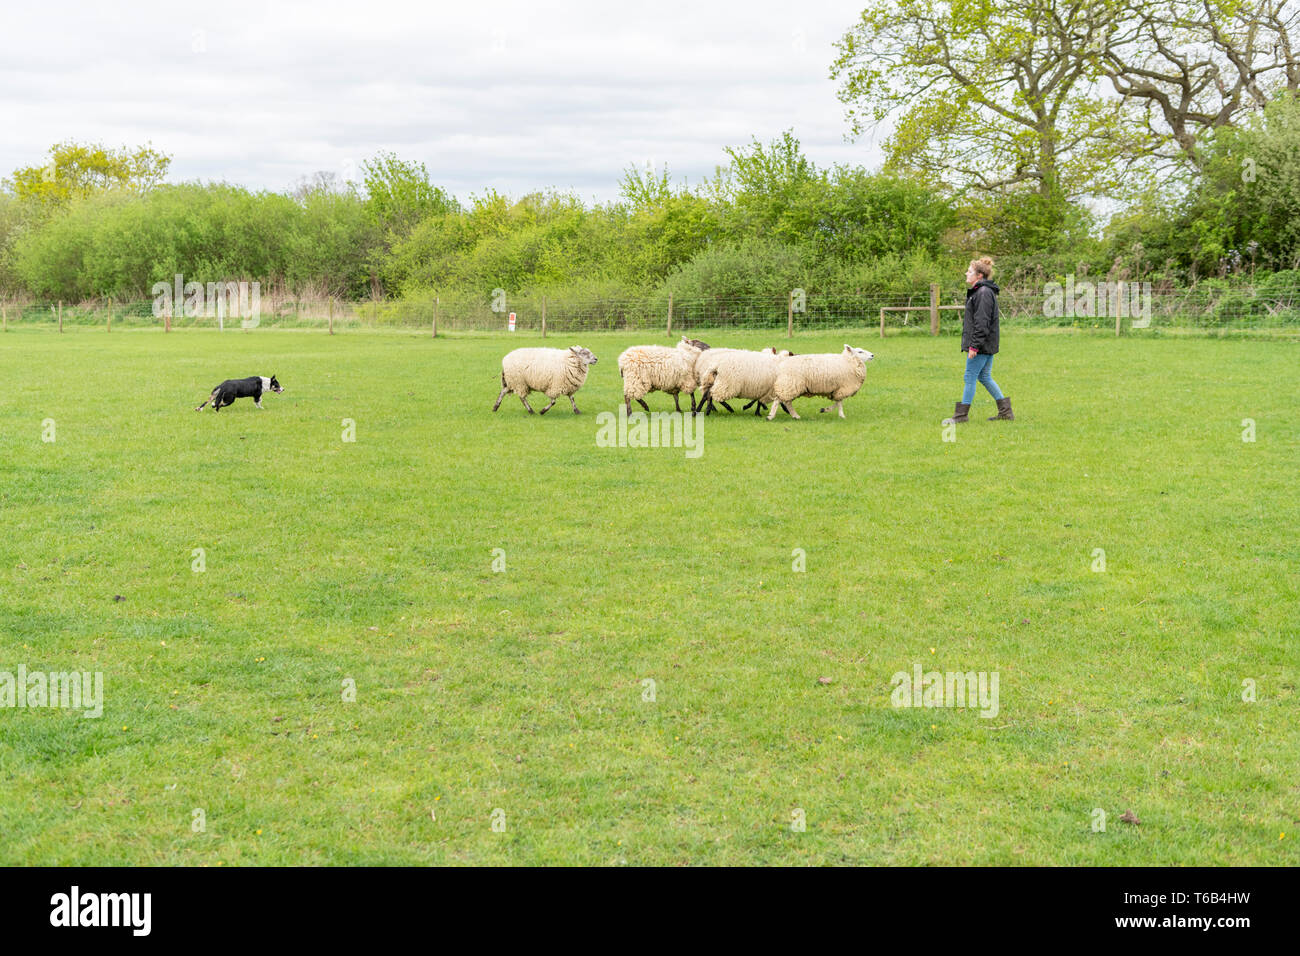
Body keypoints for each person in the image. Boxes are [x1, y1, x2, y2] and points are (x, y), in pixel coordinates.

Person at [944, 257, 1013, 423]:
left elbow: (982, 322)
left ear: (979, 275)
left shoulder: (982, 293)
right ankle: (1005, 412)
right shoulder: (982, 292)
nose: (966, 273)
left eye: (969, 271)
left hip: (981, 344)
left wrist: (974, 346)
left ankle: (960, 416)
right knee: (984, 377)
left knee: (970, 377)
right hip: (986, 343)